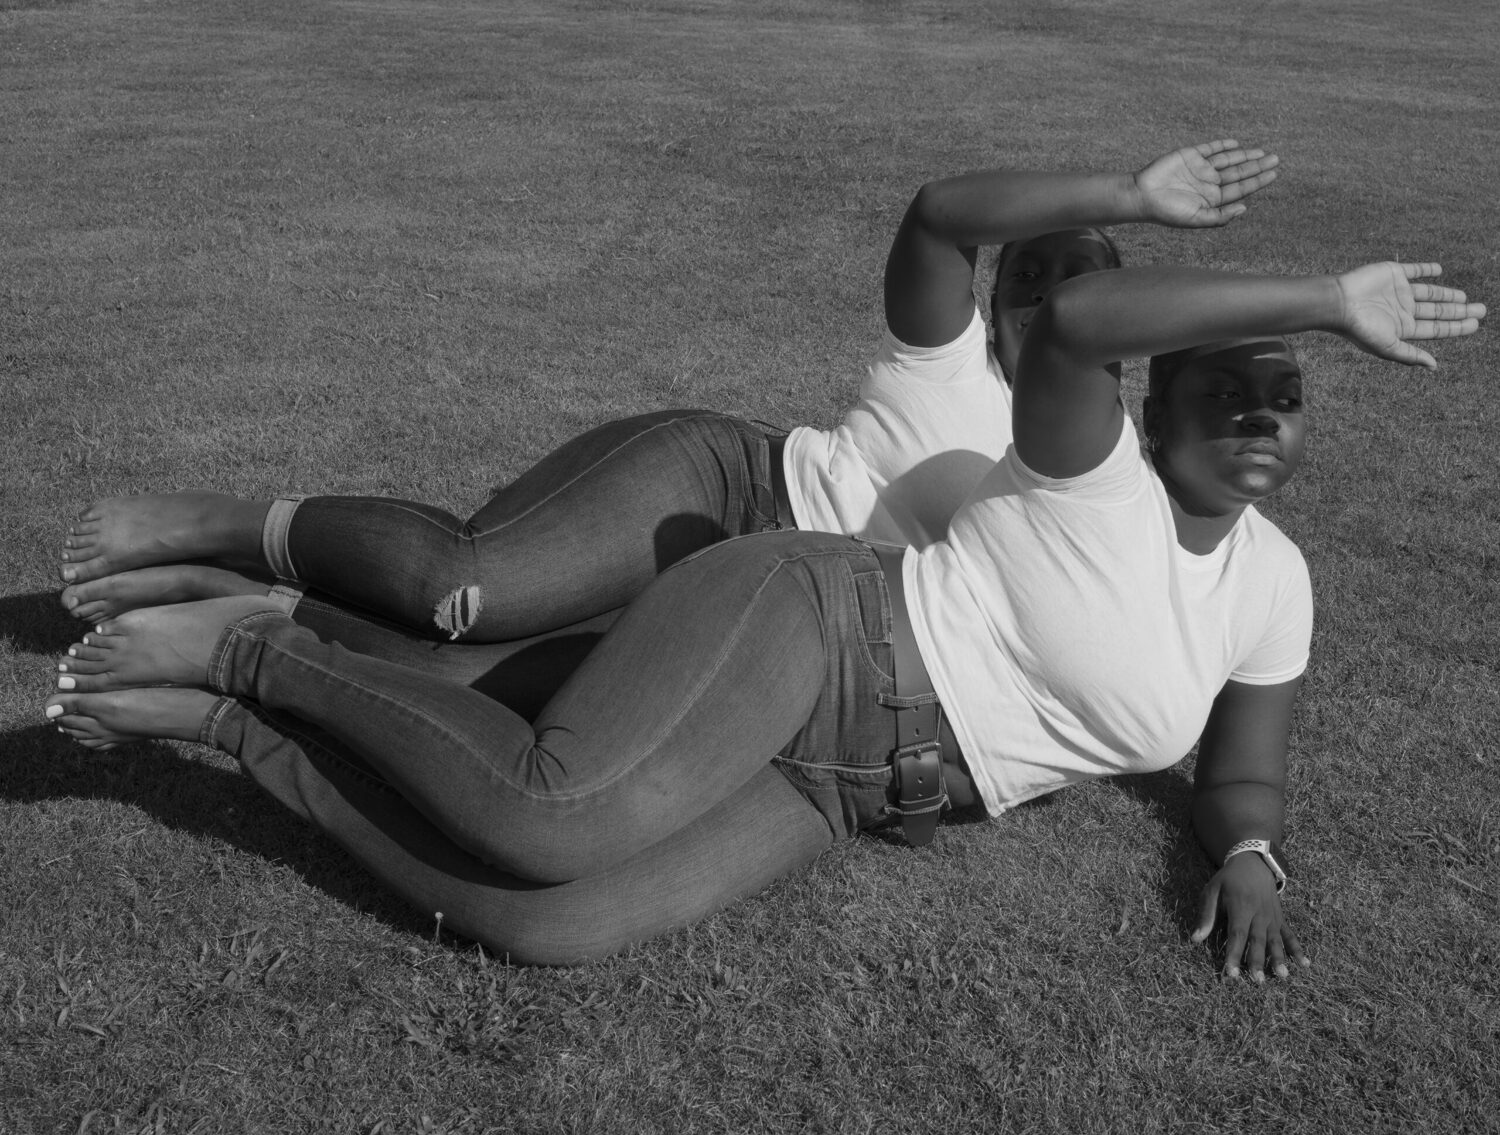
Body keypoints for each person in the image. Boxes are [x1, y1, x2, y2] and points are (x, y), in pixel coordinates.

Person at [43, 258, 1483, 976]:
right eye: (1230, 390)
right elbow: (1079, 317)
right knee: (552, 808)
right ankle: (255, 647)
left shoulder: (1276, 582)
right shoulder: (1088, 464)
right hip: (815, 619)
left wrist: (1247, 849)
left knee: (559, 928)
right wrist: (1323, 294)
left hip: (861, 789)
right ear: (1158, 407)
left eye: (1286, 398)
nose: (1261, 418)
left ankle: (238, 731)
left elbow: (1242, 756)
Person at [54, 142, 1277, 661]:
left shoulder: (1116, 462)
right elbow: (938, 216)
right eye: (1034, 276)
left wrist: (1243, 843)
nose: (1053, 295)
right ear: (1002, 299)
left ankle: (236, 599)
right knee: (465, 593)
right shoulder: (944, 358)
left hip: (779, 619)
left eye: (1085, 282)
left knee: (465, 678)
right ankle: (212, 522)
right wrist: (1134, 189)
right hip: (720, 490)